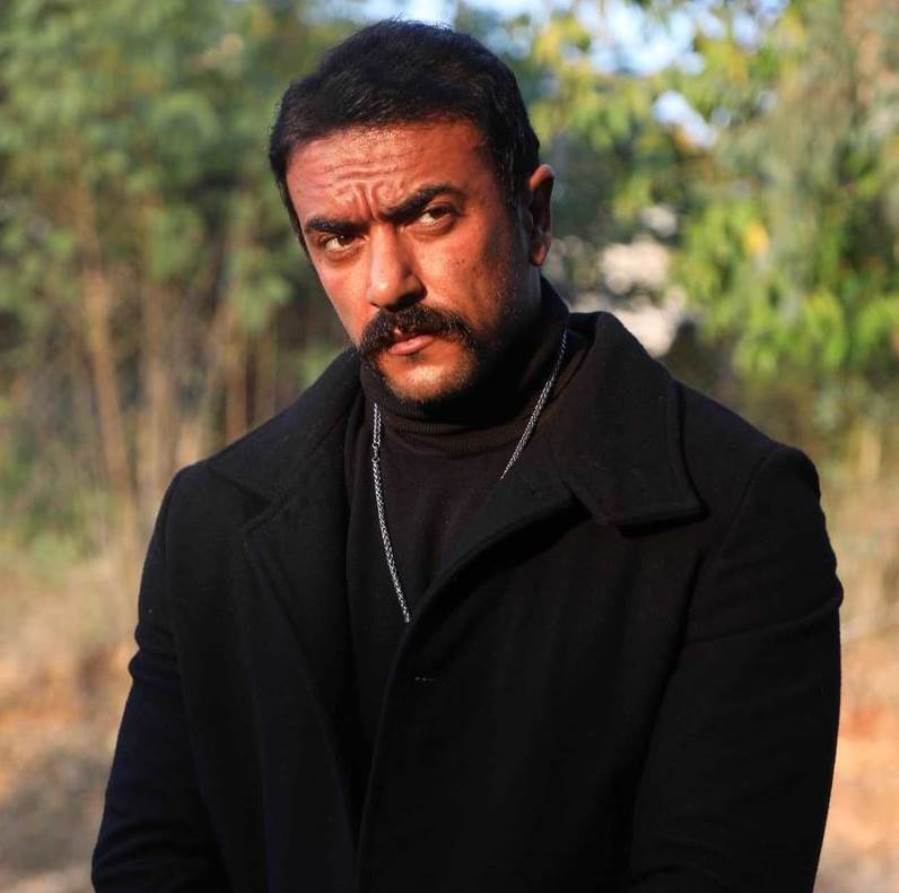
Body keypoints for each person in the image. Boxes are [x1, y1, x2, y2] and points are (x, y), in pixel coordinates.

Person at [92, 19, 842, 893]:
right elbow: (151, 862)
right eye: (338, 239)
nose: (387, 283)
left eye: (429, 215)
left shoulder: (729, 507)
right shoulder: (216, 518)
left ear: (534, 217)